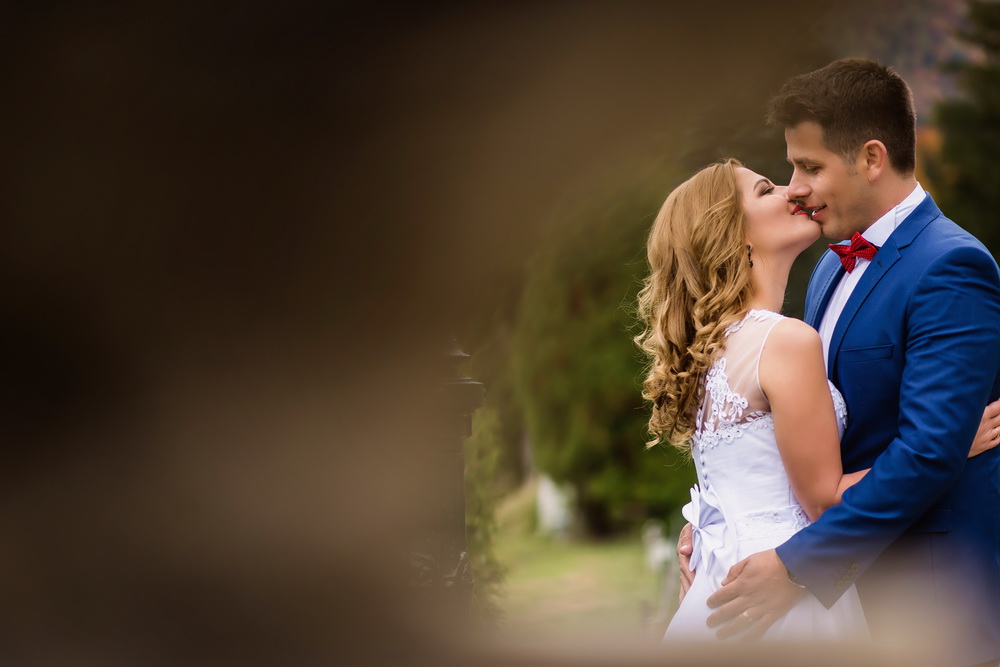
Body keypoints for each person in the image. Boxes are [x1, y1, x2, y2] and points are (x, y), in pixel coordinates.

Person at [684, 59, 1000, 665]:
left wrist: (799, 566)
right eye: (791, 167)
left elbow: (930, 450)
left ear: (872, 158)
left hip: (927, 593)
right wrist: (711, 522)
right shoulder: (830, 267)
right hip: (838, 592)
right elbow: (780, 431)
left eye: (810, 166)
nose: (795, 185)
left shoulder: (951, 267)